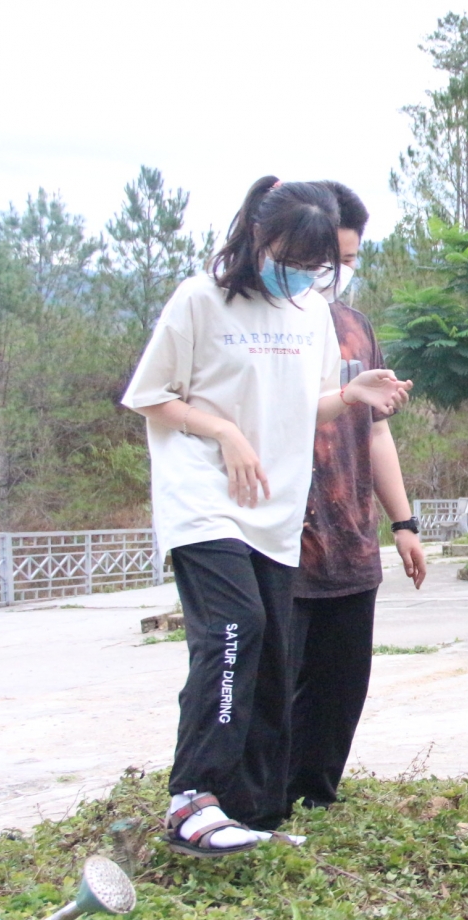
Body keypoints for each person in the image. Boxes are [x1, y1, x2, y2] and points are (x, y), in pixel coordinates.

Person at [123, 177, 412, 857]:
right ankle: (193, 796)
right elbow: (150, 396)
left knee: (275, 660)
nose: (309, 274)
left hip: (272, 509)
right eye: (296, 256)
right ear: (258, 238)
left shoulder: (308, 310)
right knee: (234, 628)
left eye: (321, 264)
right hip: (204, 498)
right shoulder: (202, 299)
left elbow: (299, 402)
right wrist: (224, 433)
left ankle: (250, 810)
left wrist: (350, 393)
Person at [284, 182, 428, 817]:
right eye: (327, 259)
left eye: (348, 260)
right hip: (279, 541)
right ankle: (260, 802)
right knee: (275, 685)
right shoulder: (266, 328)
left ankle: (316, 799)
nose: (336, 273)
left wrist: (403, 521)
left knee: (342, 686)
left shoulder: (355, 329)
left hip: (348, 538)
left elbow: (375, 431)